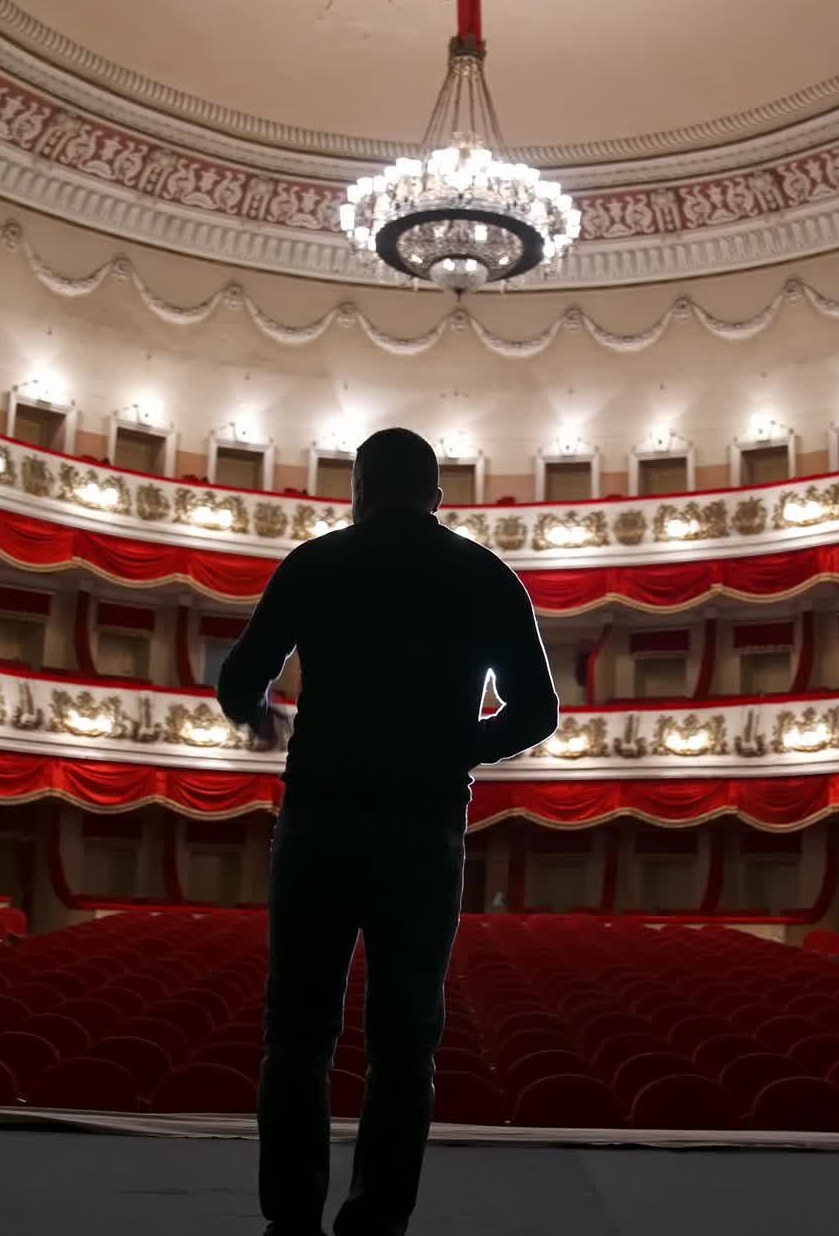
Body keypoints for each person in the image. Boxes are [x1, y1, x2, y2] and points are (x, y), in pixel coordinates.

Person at [217, 426, 559, 1236]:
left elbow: (239, 681)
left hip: (320, 819)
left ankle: (291, 1220)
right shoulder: (483, 574)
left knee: (297, 1033)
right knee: (405, 1042)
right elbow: (538, 710)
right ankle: (374, 1225)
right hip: (423, 825)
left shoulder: (316, 564)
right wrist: (458, 748)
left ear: (360, 490)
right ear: (437, 497)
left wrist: (261, 716)